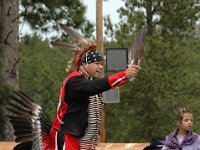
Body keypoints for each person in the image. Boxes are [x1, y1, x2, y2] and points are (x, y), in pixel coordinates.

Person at [43, 43, 141, 150]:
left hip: (76, 136)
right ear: (85, 64)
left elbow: (89, 109)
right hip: (65, 135)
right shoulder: (74, 81)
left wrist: (95, 132)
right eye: (96, 63)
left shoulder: (87, 80)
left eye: (102, 64)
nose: (100, 67)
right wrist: (124, 75)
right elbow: (95, 86)